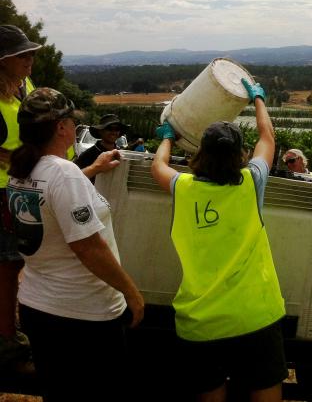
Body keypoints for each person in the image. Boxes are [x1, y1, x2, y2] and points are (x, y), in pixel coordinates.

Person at [150, 78, 287, 402]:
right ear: (241, 154)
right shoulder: (251, 183)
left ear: (201, 153)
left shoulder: (184, 188)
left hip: (201, 322)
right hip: (255, 315)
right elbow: (268, 138)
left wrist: (168, 138)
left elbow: (158, 166)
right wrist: (258, 100)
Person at [6, 87, 145, 400]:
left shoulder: (22, 171)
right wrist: (131, 293)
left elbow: (52, 198)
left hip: (39, 308)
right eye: (70, 120)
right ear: (60, 128)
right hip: (82, 317)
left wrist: (93, 170)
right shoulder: (64, 174)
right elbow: (89, 248)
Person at [0, 25, 39, 371]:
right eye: (22, 55)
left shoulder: (23, 89)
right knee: (7, 265)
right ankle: (7, 339)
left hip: (19, 187)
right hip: (1, 191)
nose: (30, 59)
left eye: (30, 53)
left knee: (15, 263)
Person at [75, 113, 130, 179]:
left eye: (117, 129)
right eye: (109, 128)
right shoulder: (87, 155)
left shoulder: (121, 154)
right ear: (100, 131)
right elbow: (75, 179)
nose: (113, 132)